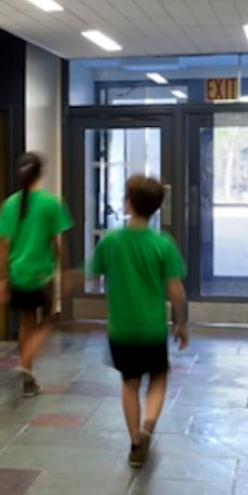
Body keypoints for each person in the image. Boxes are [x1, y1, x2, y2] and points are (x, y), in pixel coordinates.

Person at [88, 174, 189, 469]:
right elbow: (176, 291)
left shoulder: (111, 240)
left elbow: (93, 276)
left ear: (128, 203)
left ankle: (134, 442)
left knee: (129, 383)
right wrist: (181, 322)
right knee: (158, 378)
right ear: (156, 208)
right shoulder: (163, 244)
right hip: (152, 328)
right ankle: (148, 425)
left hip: (120, 329)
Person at [0, 152, 72, 397]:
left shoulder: (10, 204)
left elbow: (3, 245)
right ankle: (26, 364)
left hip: (17, 274)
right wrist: (64, 269)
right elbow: (57, 241)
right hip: (41, 276)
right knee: (48, 320)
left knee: (27, 322)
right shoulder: (50, 203)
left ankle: (28, 374)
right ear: (41, 173)